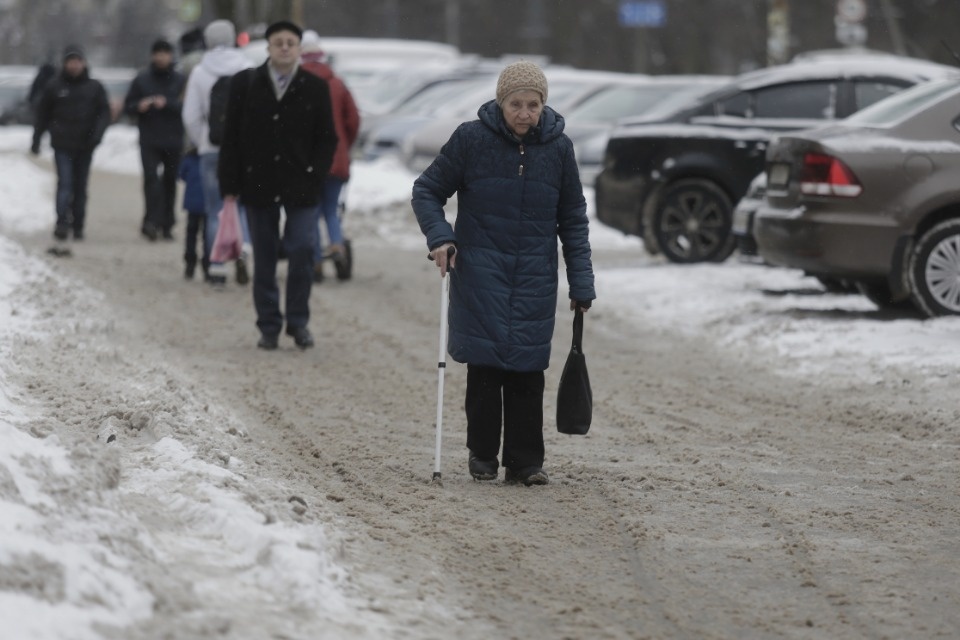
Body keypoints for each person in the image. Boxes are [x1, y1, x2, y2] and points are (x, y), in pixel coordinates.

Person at [412, 60, 595, 486]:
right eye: (516, 103)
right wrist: (440, 237)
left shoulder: (558, 148)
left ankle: (526, 461)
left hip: (534, 273)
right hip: (480, 269)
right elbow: (427, 190)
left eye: (533, 104)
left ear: (543, 105)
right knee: (486, 364)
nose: (525, 113)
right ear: (501, 101)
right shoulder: (471, 139)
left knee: (529, 368)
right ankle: (482, 455)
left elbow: (573, 219)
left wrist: (581, 281)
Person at [218, 20, 338, 350]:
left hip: (302, 184)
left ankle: (298, 322)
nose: (284, 47)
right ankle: (268, 324)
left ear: (300, 49)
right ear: (268, 48)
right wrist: (229, 182)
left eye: (290, 42)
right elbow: (230, 138)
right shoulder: (245, 83)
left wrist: (316, 173)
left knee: (301, 249)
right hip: (258, 182)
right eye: (278, 42)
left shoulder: (314, 86)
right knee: (266, 256)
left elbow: (328, 138)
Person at [181, 19, 252, 287]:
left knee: (215, 210)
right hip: (243, 152)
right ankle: (243, 245)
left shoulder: (200, 71)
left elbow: (190, 115)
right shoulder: (247, 67)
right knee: (242, 205)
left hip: (212, 150)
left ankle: (216, 266)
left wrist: (203, 142)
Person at [31, 44, 111, 244]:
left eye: (77, 62)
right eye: (70, 62)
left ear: (83, 63)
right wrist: (36, 139)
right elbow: (42, 115)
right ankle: (61, 222)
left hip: (86, 145)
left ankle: (78, 224)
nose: (74, 66)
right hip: (62, 144)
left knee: (80, 186)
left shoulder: (94, 87)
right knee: (65, 183)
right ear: (65, 64)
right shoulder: (54, 86)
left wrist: (97, 136)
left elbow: (104, 113)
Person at [299, 30, 360, 283]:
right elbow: (353, 119)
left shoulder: (296, 84)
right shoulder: (337, 83)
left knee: (310, 210)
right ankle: (336, 244)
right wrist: (344, 144)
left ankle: (314, 260)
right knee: (331, 209)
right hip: (337, 158)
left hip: (307, 161)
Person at [124, 39, 186, 241]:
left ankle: (167, 222)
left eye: (165, 53)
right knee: (151, 180)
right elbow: (128, 106)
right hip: (149, 137)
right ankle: (150, 221)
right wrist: (139, 106)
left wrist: (167, 103)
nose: (161, 57)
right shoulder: (142, 79)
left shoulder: (180, 80)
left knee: (169, 181)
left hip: (173, 138)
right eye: (158, 53)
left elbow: (187, 106)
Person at [178, 147, 207, 279]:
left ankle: (190, 262)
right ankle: (208, 263)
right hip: (208, 205)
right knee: (207, 236)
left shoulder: (189, 159)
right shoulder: (212, 160)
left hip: (192, 205)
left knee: (191, 234)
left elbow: (181, 175)